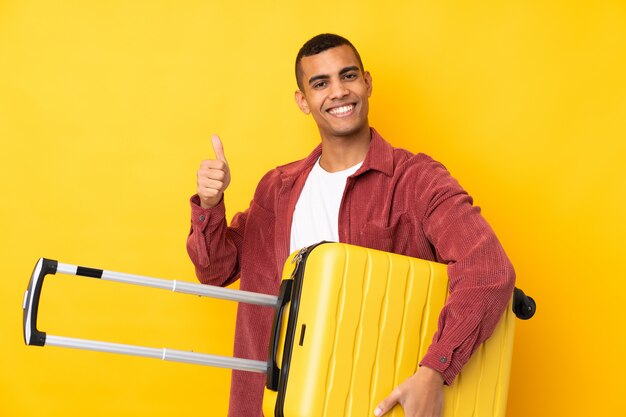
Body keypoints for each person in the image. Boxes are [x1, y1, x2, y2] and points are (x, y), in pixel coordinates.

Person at [187, 33, 515, 417]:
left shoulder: (417, 181)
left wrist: (435, 372)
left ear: (367, 82)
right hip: (273, 405)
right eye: (320, 83)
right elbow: (214, 271)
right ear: (303, 101)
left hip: (369, 404)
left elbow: (488, 271)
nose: (339, 92)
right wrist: (210, 205)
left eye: (348, 76)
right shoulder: (277, 190)